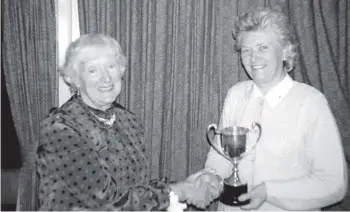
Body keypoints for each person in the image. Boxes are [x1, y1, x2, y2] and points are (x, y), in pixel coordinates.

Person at [36, 33, 222, 211]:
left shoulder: (127, 120)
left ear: (121, 69)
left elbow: (133, 189)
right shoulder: (61, 127)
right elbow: (103, 202)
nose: (106, 78)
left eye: (110, 66)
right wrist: (179, 191)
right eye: (93, 70)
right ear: (76, 79)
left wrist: (186, 184)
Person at [204, 7, 348, 211]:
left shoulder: (311, 102)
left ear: (285, 51)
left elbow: (334, 185)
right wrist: (208, 178)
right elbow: (220, 156)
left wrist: (269, 191)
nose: (253, 58)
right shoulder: (236, 95)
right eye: (246, 50)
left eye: (263, 47)